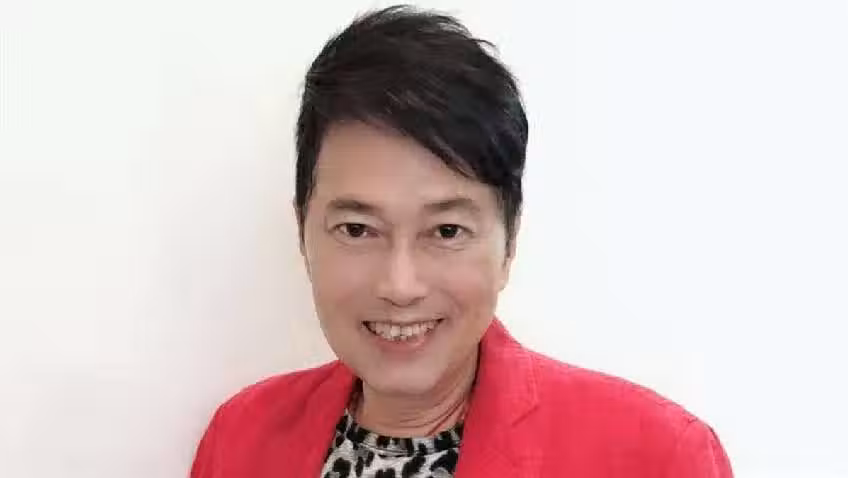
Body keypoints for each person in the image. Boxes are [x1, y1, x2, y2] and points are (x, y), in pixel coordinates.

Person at [190, 5, 733, 477]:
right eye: (357, 229)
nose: (400, 285)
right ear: (303, 234)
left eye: (446, 231)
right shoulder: (241, 438)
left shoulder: (656, 456)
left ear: (508, 243)